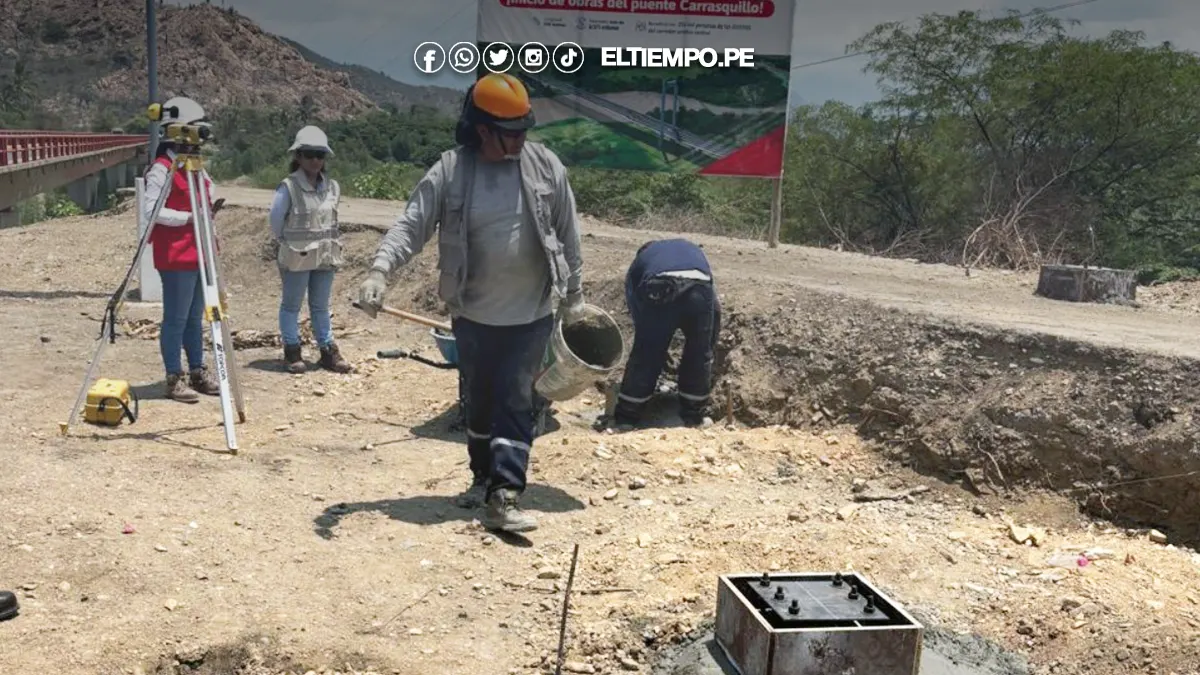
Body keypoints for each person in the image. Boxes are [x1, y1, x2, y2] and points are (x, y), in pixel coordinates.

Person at [358, 73, 585, 533]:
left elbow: (568, 232)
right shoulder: (451, 172)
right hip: (472, 314)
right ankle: (482, 476)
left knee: (515, 400)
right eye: (511, 132)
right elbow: (411, 225)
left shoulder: (546, 167)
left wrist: (575, 297)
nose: (521, 140)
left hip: (531, 313)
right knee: (478, 403)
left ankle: (505, 493)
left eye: (524, 130)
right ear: (483, 129)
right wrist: (379, 271)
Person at [142, 96, 221, 403]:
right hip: (176, 254)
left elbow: (207, 200)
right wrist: (189, 218)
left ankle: (197, 370)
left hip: (201, 251)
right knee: (176, 318)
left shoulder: (196, 167)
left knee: (194, 318)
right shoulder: (162, 168)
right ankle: (174, 376)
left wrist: (208, 226)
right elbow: (152, 212)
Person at [268, 125, 351, 374]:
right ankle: (292, 351)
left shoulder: (332, 187)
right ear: (298, 156)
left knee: (321, 306)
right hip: (298, 255)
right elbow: (275, 220)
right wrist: (286, 241)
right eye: (309, 154)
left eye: (320, 155)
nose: (315, 160)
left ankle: (327, 350)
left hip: (325, 255)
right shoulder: (289, 186)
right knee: (291, 305)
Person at [613, 238, 720, 428]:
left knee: (647, 352)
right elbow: (714, 307)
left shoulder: (641, 262)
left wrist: (651, 338)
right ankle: (693, 414)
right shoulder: (689, 250)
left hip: (660, 285)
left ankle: (627, 416)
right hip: (700, 286)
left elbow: (636, 305)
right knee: (698, 352)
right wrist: (707, 344)